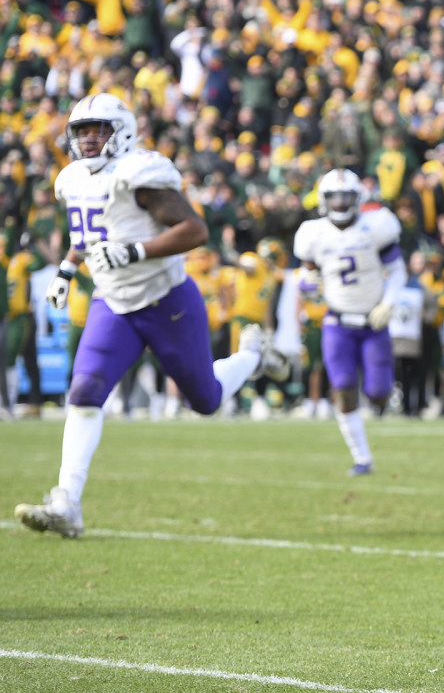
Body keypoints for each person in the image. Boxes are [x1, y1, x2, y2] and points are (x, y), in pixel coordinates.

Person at [14, 92, 289, 539]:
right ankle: (66, 501)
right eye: (81, 131)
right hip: (113, 302)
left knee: (206, 400)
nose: (87, 139)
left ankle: (253, 355)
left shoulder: (139, 174)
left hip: (166, 301)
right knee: (84, 390)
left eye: (97, 129)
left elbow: (195, 230)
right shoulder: (72, 179)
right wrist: (66, 269)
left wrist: (135, 250)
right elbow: (86, 233)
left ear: (120, 131)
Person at [293, 167, 406, 476]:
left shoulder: (376, 225)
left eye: (346, 197)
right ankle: (362, 457)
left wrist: (389, 303)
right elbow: (306, 271)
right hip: (337, 321)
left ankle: (382, 396)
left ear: (358, 198)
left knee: (378, 392)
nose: (340, 203)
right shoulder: (313, 233)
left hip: (373, 322)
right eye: (334, 197)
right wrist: (308, 282)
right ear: (323, 200)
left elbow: (397, 270)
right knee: (342, 386)